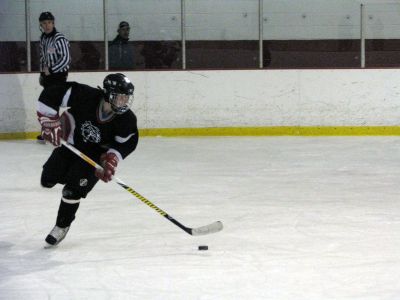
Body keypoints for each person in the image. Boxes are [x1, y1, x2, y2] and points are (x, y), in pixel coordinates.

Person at [37, 73, 139, 247]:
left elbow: (126, 142)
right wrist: (49, 121)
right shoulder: (84, 95)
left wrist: (110, 159)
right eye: (120, 97)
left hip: (93, 157)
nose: (124, 102)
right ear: (107, 94)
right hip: (70, 145)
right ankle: (54, 177)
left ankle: (62, 226)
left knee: (72, 191)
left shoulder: (127, 120)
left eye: (126, 98)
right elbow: (51, 94)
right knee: (47, 180)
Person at [37, 11, 71, 142]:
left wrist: (51, 70)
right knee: (46, 103)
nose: (47, 25)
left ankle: (54, 133)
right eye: (44, 23)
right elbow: (43, 57)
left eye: (50, 22)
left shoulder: (59, 38)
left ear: (53, 23)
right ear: (41, 25)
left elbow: (66, 59)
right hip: (48, 77)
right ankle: (48, 132)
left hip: (58, 76)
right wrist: (41, 73)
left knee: (53, 103)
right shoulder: (43, 39)